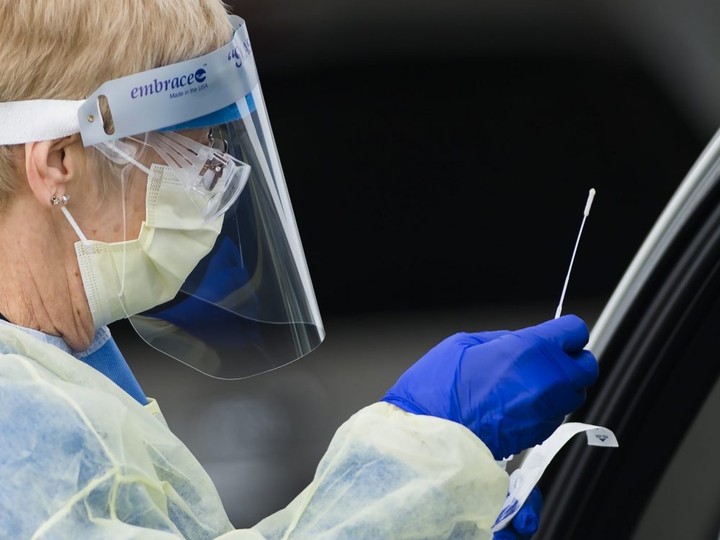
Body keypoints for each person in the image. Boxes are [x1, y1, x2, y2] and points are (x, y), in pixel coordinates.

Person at [0, 1, 598, 538]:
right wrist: (422, 454)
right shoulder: (19, 426)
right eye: (186, 154)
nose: (217, 183)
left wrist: (430, 516)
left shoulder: (63, 382)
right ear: (58, 162)